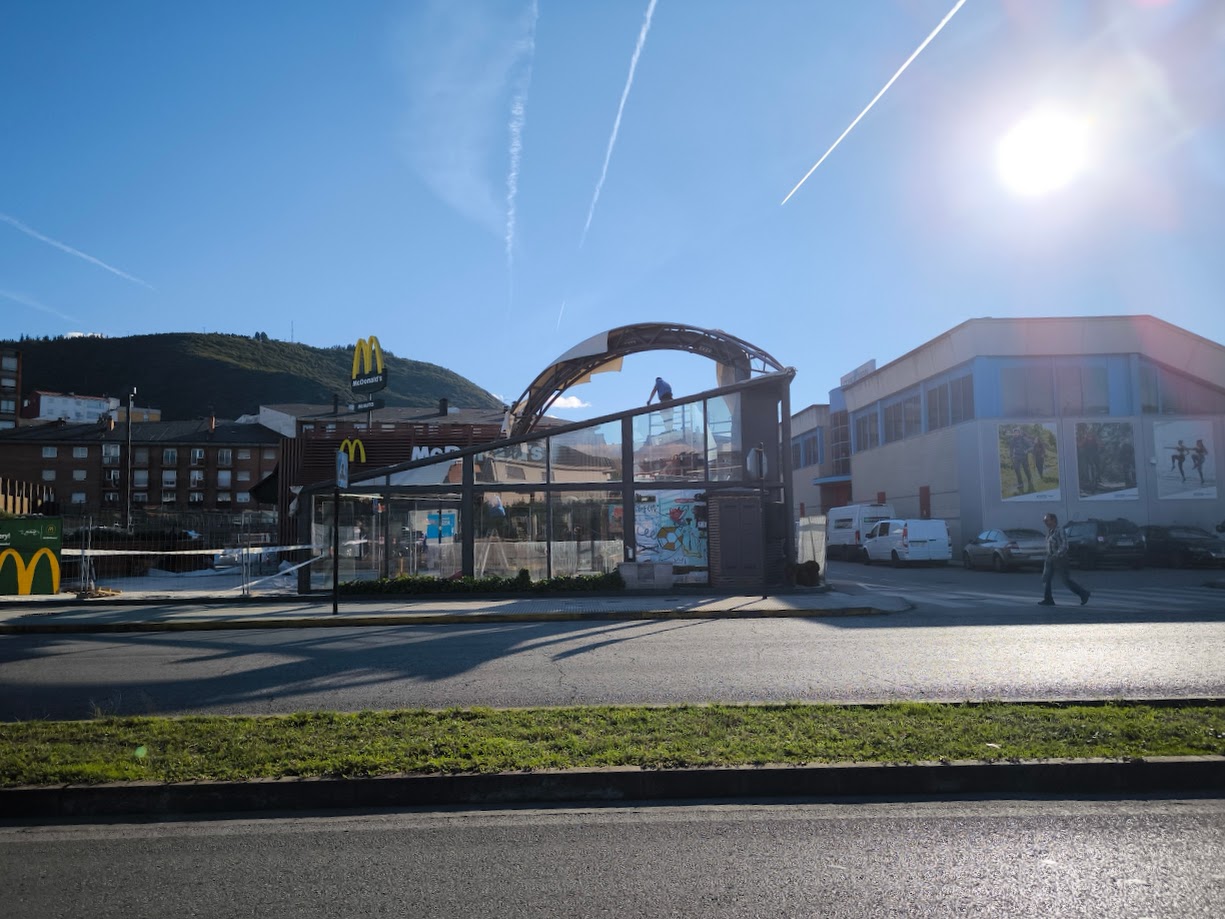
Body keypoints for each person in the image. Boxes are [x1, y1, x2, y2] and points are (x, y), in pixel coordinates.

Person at [1038, 512, 1089, 607]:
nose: (1045, 522)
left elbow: (1065, 545)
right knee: (1046, 579)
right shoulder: (1050, 531)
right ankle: (1048, 599)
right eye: (1044, 521)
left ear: (1053, 520)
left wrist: (1057, 554)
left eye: (1046, 520)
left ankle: (1084, 594)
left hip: (1060, 559)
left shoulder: (1060, 530)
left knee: (1066, 580)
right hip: (1050, 558)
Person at [1009, 430, 1034, 494]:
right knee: (1016, 469)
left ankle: (1029, 480)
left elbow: (1031, 446)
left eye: (1017, 432)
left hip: (1024, 457)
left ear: (1019, 433)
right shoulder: (1012, 440)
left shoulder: (1023, 439)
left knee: (1026, 470)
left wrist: (1027, 451)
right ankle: (1020, 483)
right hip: (1016, 457)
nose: (1015, 434)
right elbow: (1011, 448)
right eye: (1014, 432)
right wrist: (1011, 456)